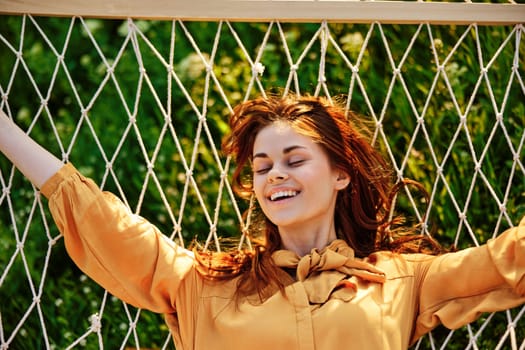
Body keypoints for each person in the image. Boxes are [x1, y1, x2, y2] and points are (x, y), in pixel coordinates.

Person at [0, 95, 524, 350]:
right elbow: (107, 227)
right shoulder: (202, 286)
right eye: (262, 167)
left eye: (295, 161)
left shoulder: (402, 280)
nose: (277, 176)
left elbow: (507, 261)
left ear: (341, 175)